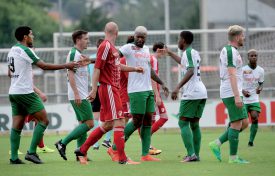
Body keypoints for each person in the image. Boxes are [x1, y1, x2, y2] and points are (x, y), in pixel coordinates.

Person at [74, 22, 143, 165]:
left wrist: (134, 69)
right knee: (119, 121)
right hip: (109, 88)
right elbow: (98, 68)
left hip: (112, 89)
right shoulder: (105, 46)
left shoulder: (112, 48)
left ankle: (82, 149)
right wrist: (93, 89)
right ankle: (122, 158)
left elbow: (117, 66)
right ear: (117, 33)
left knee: (107, 125)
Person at [8, 26, 78, 164]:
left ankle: (14, 158)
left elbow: (9, 73)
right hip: (25, 92)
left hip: (14, 92)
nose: (33, 37)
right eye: (31, 35)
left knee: (17, 126)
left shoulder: (12, 50)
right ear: (25, 37)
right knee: (44, 120)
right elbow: (44, 66)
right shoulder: (25, 50)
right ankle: (32, 153)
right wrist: (66, 65)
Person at [109, 26, 169, 162]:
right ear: (134, 36)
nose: (140, 39)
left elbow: (150, 70)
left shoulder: (146, 49)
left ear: (146, 38)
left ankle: (145, 155)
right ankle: (113, 148)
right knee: (136, 122)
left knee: (147, 122)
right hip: (136, 91)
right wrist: (95, 60)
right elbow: (112, 58)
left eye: (143, 37)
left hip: (148, 90)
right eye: (138, 36)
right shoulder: (127, 48)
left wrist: (162, 83)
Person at [209, 25, 250, 164]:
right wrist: (237, 95)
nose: (244, 38)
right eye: (243, 35)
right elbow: (231, 74)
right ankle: (233, 158)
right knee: (238, 124)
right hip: (231, 92)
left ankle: (217, 143)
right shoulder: (230, 51)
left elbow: (236, 75)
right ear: (238, 37)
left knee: (244, 123)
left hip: (233, 90)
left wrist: (240, 90)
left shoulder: (232, 51)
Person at [166, 31, 207, 162]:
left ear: (183, 40)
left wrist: (177, 87)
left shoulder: (188, 53)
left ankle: (191, 154)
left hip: (192, 92)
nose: (178, 41)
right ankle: (196, 154)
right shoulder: (192, 52)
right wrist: (170, 53)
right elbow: (184, 63)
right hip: (201, 91)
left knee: (183, 122)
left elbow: (190, 70)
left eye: (179, 39)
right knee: (194, 124)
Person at [55, 30, 94, 161]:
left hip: (81, 93)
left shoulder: (79, 55)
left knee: (83, 123)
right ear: (78, 40)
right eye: (86, 39)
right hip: (78, 94)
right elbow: (70, 74)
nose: (88, 41)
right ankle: (63, 142)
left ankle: (80, 154)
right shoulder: (73, 54)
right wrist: (77, 93)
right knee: (89, 123)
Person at [88, 38, 113, 150]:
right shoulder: (106, 57)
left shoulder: (91, 58)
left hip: (94, 87)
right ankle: (107, 140)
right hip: (105, 87)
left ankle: (95, 143)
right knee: (112, 115)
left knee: (96, 116)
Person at [242, 49, 264, 147]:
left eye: (255, 55)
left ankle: (251, 141)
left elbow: (261, 83)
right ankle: (230, 133)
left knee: (255, 118)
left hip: (254, 99)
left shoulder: (261, 70)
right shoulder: (243, 69)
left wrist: (260, 88)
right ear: (248, 57)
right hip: (243, 99)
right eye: (252, 56)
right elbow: (237, 83)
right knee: (241, 122)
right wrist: (242, 91)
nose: (254, 57)